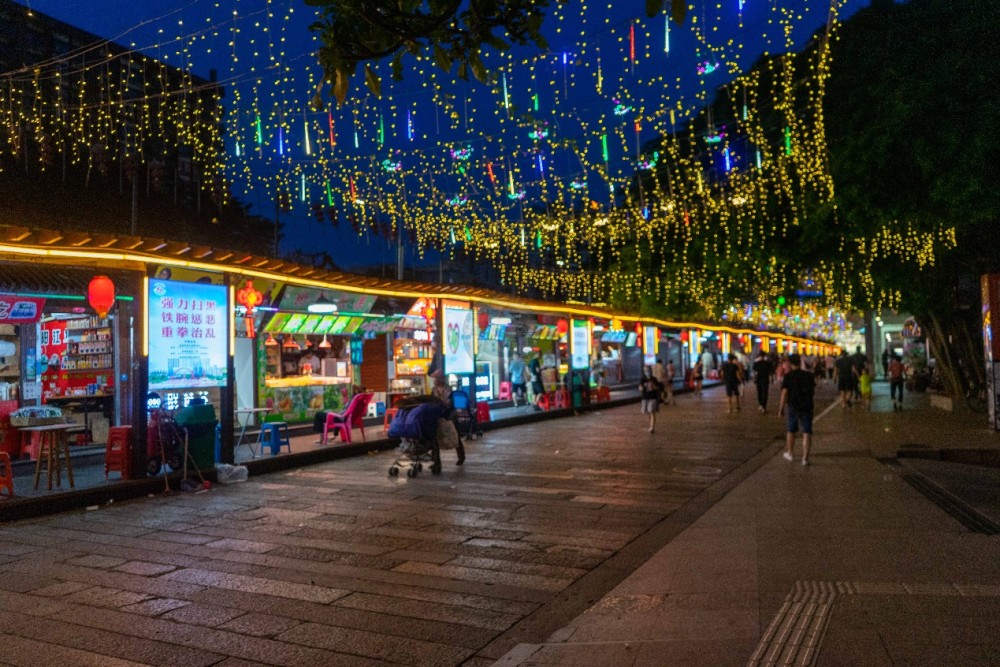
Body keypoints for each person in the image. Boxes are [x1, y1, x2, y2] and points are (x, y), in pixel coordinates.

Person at [778, 353, 816, 466]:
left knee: (791, 430)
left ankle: (790, 453)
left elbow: (784, 393)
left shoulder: (788, 376)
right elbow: (813, 390)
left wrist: (781, 408)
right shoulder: (809, 375)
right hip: (807, 406)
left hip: (793, 406)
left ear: (790, 363)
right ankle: (805, 458)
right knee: (807, 432)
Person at [431, 373, 466, 464]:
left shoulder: (448, 390)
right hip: (438, 414)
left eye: (435, 378)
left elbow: (449, 403)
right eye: (434, 378)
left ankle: (461, 457)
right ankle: (436, 460)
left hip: (449, 415)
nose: (434, 380)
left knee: (455, 435)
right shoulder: (433, 390)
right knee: (435, 437)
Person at [639, 366, 663, 433]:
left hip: (653, 398)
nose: (647, 372)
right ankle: (650, 425)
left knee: (652, 412)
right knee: (648, 413)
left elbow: (658, 387)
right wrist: (641, 387)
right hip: (645, 398)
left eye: (648, 370)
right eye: (645, 370)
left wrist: (654, 387)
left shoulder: (654, 379)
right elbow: (640, 387)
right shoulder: (643, 379)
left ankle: (652, 427)